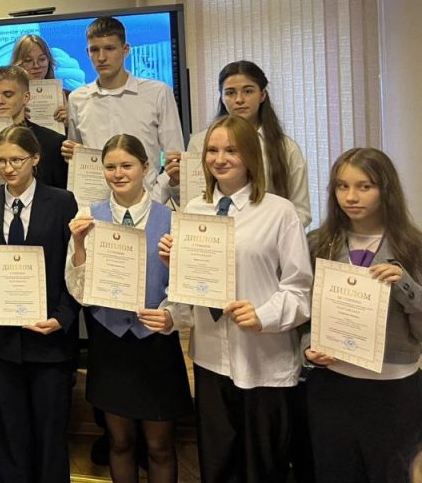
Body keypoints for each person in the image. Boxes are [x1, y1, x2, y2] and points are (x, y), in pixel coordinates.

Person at [159, 115, 312, 483]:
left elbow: (300, 291)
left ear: (251, 156)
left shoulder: (280, 213)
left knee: (264, 469)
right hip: (211, 359)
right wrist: (175, 268)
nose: (219, 158)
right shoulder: (193, 211)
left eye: (231, 150)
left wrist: (263, 315)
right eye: (212, 150)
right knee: (218, 466)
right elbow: (188, 296)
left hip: (264, 360)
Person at [65, 134, 192, 483]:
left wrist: (171, 315)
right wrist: (79, 244)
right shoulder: (88, 217)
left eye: (127, 165)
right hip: (111, 344)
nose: (118, 173)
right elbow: (79, 291)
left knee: (159, 446)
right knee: (119, 443)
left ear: (146, 167)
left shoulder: (172, 219)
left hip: (155, 343)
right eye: (110, 167)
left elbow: (186, 286)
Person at [302, 148, 422, 483]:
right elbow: (304, 314)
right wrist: (307, 348)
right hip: (332, 387)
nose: (351, 197)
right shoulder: (318, 244)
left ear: (386, 189)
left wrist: (407, 287)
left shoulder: (413, 247)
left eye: (364, 186)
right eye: (342, 186)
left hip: (394, 389)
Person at [0, 125, 79, 482]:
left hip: (49, 335)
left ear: (35, 159)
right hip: (3, 339)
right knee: (10, 433)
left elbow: (74, 265)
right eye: (1, 160)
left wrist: (63, 317)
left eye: (16, 160)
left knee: (50, 434)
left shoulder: (62, 202)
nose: (8, 168)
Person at [164, 60, 311, 226]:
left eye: (248, 91)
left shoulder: (286, 148)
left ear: (262, 95)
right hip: (212, 235)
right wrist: (177, 182)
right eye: (230, 93)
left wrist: (266, 233)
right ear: (221, 97)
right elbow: (194, 203)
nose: (239, 99)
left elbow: (301, 212)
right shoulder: (200, 142)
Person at [61, 17, 184, 191]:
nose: (101, 57)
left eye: (109, 48)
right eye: (94, 50)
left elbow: (175, 158)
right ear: (87, 52)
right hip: (95, 201)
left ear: (125, 50)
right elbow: (76, 159)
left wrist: (156, 196)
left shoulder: (158, 93)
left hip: (146, 199)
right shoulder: (77, 98)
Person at [0, 65, 68, 194]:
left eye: (8, 94)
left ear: (26, 97)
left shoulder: (53, 142)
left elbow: (61, 195)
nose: (0, 101)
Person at [11, 34, 71, 127]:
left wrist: (69, 124)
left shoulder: (69, 97)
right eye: (28, 60)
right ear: (18, 65)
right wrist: (13, 119)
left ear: (49, 61)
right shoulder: (6, 100)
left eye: (42, 59)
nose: (36, 65)